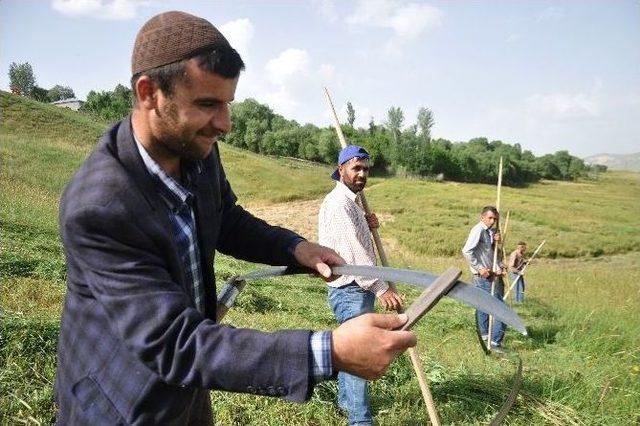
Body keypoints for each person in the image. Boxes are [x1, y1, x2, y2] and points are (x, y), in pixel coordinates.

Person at [54, 11, 416, 425]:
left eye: (227, 104)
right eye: (208, 104)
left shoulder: (196, 150)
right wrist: (330, 351)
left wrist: (293, 246)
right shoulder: (99, 208)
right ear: (149, 92)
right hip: (121, 402)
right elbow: (175, 344)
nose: (224, 124)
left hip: (190, 388)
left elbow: (225, 219)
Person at [318, 145, 404, 425]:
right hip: (352, 289)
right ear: (340, 168)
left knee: (349, 349)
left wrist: (367, 224)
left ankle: (346, 404)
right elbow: (354, 254)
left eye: (366, 169)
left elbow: (355, 238)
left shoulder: (350, 202)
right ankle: (360, 421)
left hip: (352, 289)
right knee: (359, 355)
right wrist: (381, 287)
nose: (362, 174)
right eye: (356, 168)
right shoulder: (340, 204)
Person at [461, 206, 507, 350]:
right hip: (483, 277)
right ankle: (495, 342)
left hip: (490, 275)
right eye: (490, 218)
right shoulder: (479, 230)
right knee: (501, 309)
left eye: (495, 219)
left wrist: (496, 244)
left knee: (483, 306)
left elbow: (491, 254)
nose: (493, 221)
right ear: (482, 217)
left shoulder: (490, 232)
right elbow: (467, 251)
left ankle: (485, 336)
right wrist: (480, 268)